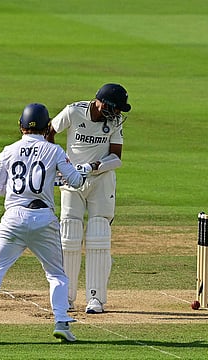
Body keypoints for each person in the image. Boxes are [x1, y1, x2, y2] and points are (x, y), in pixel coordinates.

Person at [0, 103, 93, 343]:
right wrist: (82, 169)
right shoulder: (54, 151)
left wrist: (15, 187)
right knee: (56, 275)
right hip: (43, 219)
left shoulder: (8, 150)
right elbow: (74, 181)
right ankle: (62, 322)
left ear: (21, 126)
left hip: (13, 218)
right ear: (46, 127)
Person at [47, 83, 131, 314]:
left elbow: (116, 157)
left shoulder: (113, 123)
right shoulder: (74, 111)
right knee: (69, 236)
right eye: (115, 109)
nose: (117, 114)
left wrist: (93, 166)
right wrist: (60, 163)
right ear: (102, 103)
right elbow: (49, 131)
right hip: (72, 181)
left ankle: (96, 299)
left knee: (98, 235)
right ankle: (66, 297)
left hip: (101, 181)